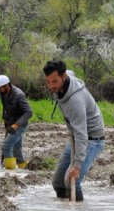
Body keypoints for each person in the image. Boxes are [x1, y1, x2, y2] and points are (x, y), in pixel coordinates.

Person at [43, 60, 105, 202]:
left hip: (91, 140)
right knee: (58, 183)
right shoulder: (66, 77)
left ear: (64, 77)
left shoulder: (75, 102)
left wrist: (76, 166)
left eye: (54, 81)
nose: (51, 86)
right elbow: (70, 71)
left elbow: (81, 134)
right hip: (75, 138)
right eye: (48, 82)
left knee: (72, 180)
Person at [0, 74, 33, 169]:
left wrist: (16, 125)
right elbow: (6, 108)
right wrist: (6, 123)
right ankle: (23, 167)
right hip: (10, 124)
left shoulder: (19, 95)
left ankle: (10, 172)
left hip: (20, 124)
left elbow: (29, 112)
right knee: (16, 149)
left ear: (7, 86)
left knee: (6, 146)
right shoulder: (3, 93)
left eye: (0, 88)